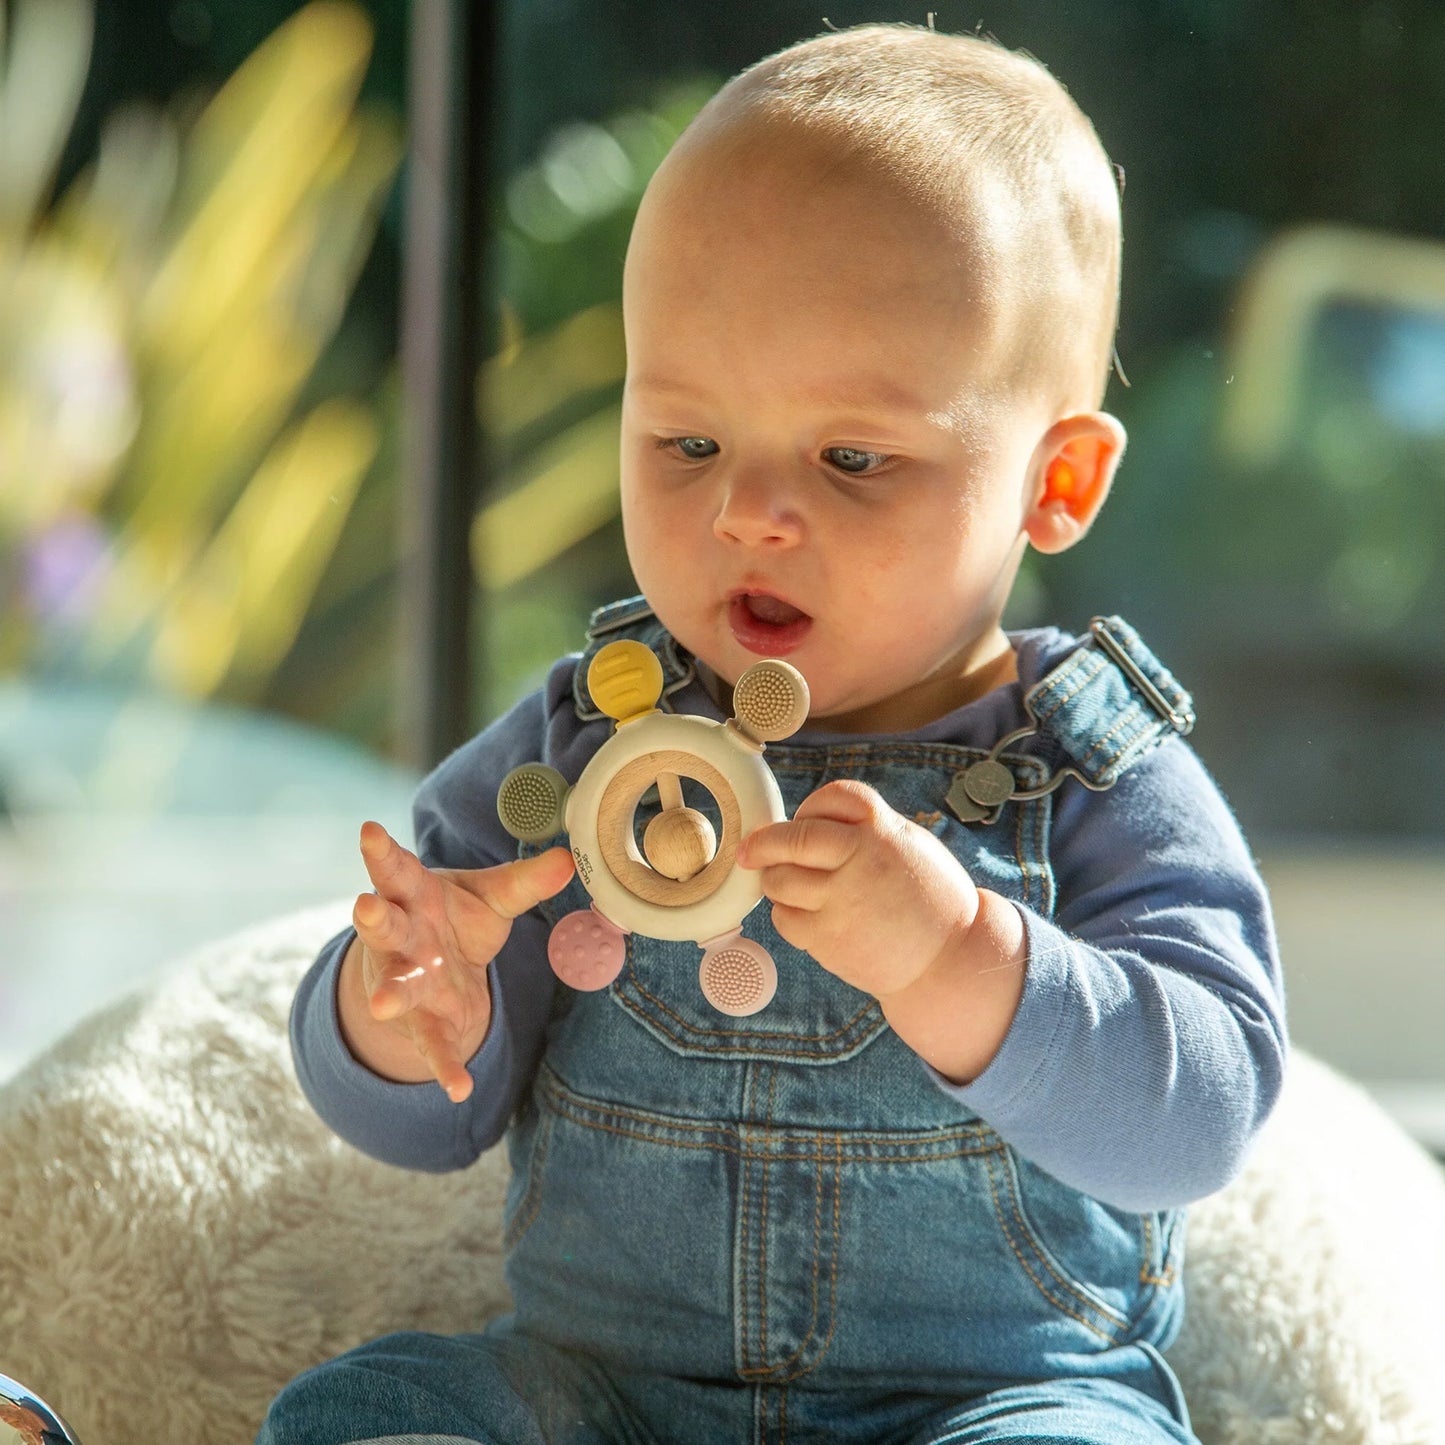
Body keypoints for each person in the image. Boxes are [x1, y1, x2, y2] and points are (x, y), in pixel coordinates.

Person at [260, 21, 1286, 1445]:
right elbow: (419, 1117)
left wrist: (962, 960)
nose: (747, 511)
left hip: (988, 1395)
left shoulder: (1093, 768)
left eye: (852, 457)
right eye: (685, 442)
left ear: (1055, 481)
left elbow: (1205, 1110)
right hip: (604, 1392)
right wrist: (397, 1010)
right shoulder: (581, 738)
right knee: (368, 1413)